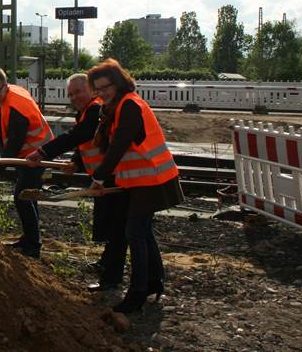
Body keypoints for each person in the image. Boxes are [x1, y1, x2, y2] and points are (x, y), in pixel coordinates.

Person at [86, 59, 183, 314]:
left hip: (152, 180)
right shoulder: (118, 107)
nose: (101, 93)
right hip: (143, 180)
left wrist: (98, 178)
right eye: (96, 89)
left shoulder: (129, 106)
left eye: (104, 87)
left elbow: (119, 147)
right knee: (143, 232)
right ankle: (153, 280)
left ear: (117, 83)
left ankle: (137, 294)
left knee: (135, 234)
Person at [25, 73, 130, 291]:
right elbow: (87, 143)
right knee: (108, 224)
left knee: (116, 227)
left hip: (113, 176)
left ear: (91, 91)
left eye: (78, 92)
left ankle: (111, 278)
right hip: (103, 176)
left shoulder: (95, 109)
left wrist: (44, 151)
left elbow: (78, 136)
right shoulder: (87, 113)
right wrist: (76, 163)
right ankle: (107, 264)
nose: (74, 97)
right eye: (70, 94)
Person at [0, 68, 53, 259]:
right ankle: (30, 238)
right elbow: (4, 130)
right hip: (26, 156)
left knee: (22, 197)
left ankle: (33, 246)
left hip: (37, 154)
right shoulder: (3, 98)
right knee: (28, 197)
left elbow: (14, 142)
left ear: (5, 86)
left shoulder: (15, 107)